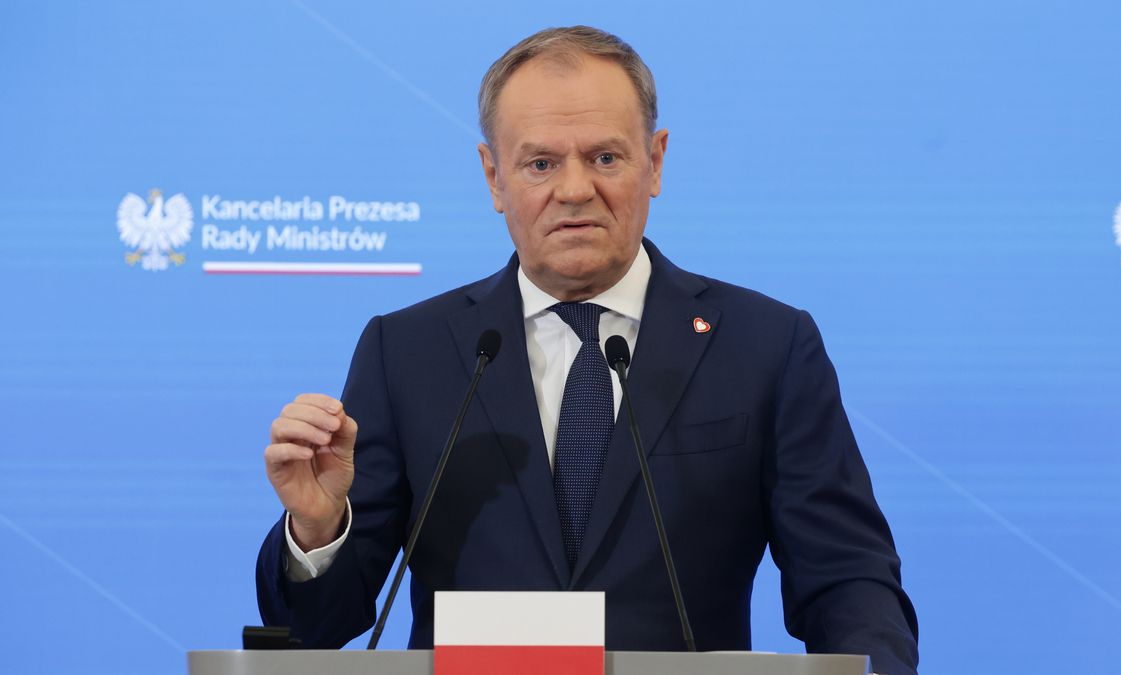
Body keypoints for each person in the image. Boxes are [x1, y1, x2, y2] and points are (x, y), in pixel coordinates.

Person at [257, 26, 919, 675]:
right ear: (494, 176)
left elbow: (846, 576)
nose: (575, 190)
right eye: (541, 163)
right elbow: (320, 625)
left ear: (654, 161)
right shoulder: (407, 352)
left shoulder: (766, 346)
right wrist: (318, 529)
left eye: (604, 157)